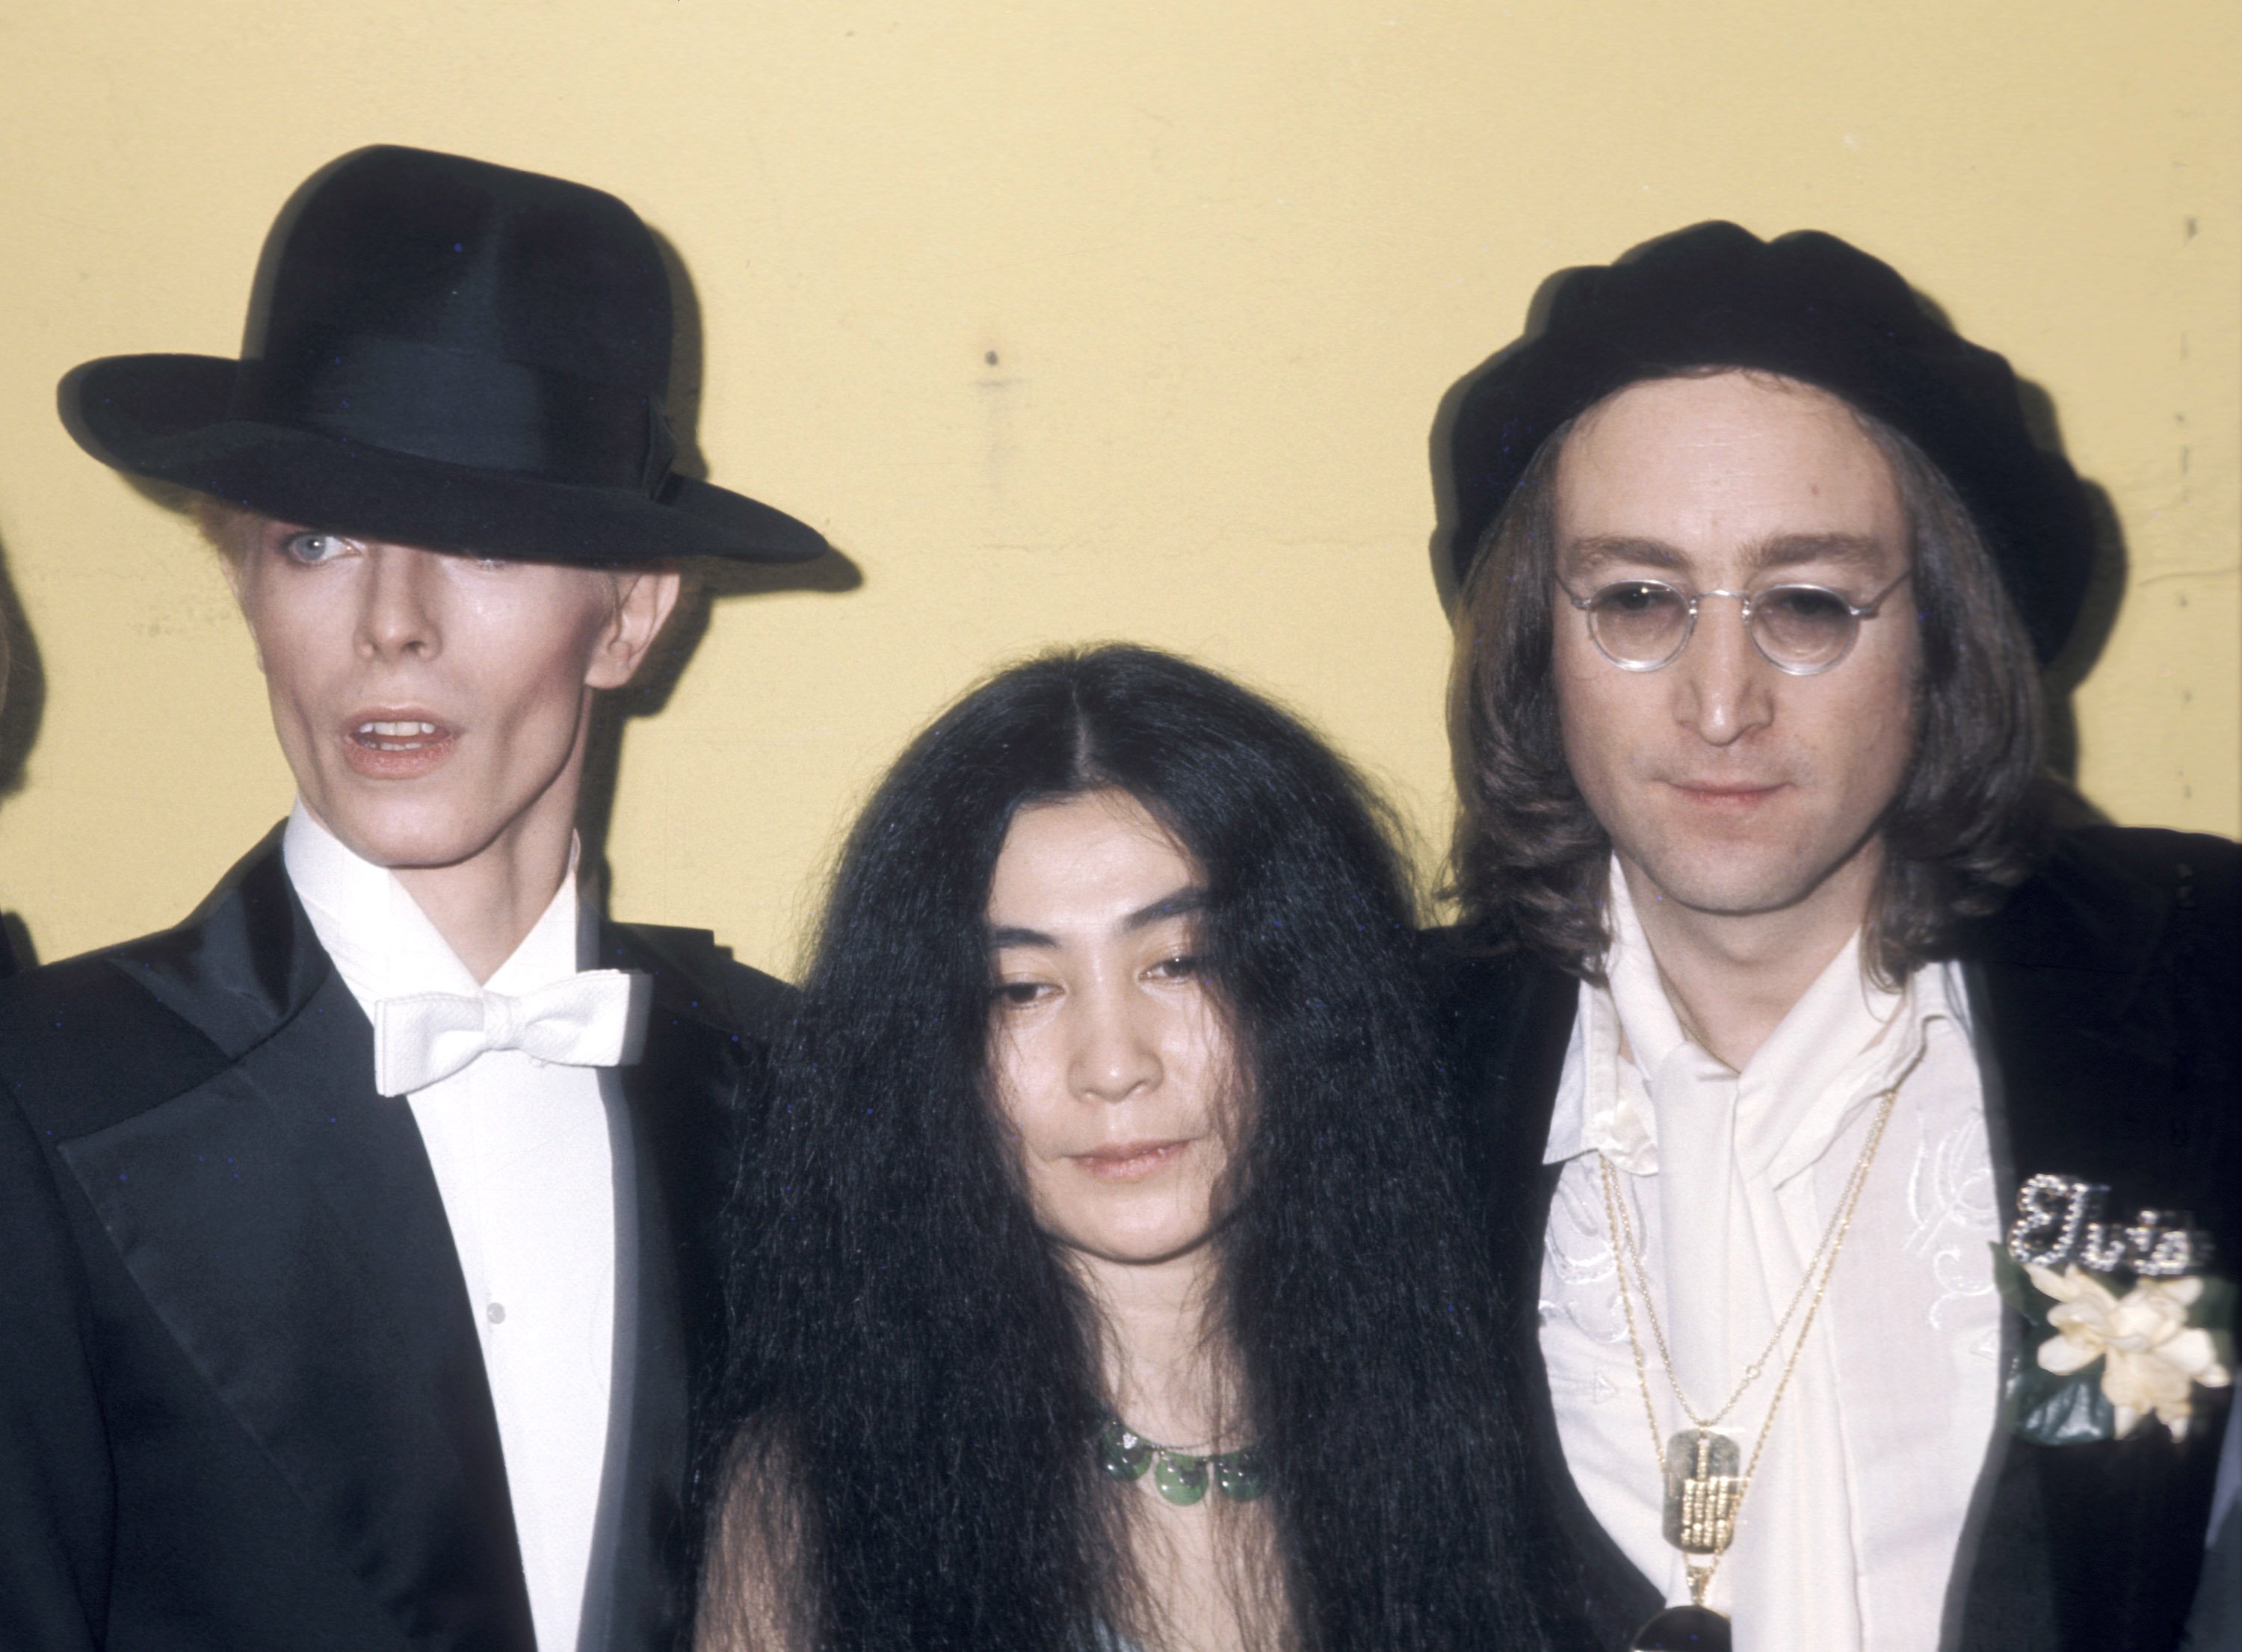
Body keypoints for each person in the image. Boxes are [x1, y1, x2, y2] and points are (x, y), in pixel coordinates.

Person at [0, 145, 825, 1652]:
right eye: (316, 541)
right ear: (248, 587)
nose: (391, 623)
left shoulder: (792, 1098)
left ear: (631, 614)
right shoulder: (40, 1096)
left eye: (488, 538)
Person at [1429, 220, 2238, 1652]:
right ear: (1532, 646)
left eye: (1808, 602)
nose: (1722, 701)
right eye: (1637, 600)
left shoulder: (2196, 991)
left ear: (1943, 639)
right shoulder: (1384, 1073)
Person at [700, 645, 1564, 1652]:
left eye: (1178, 964)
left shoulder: (1508, 1422)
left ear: (1312, 987)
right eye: (1023, 988)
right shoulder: (814, 1504)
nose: (1113, 1066)